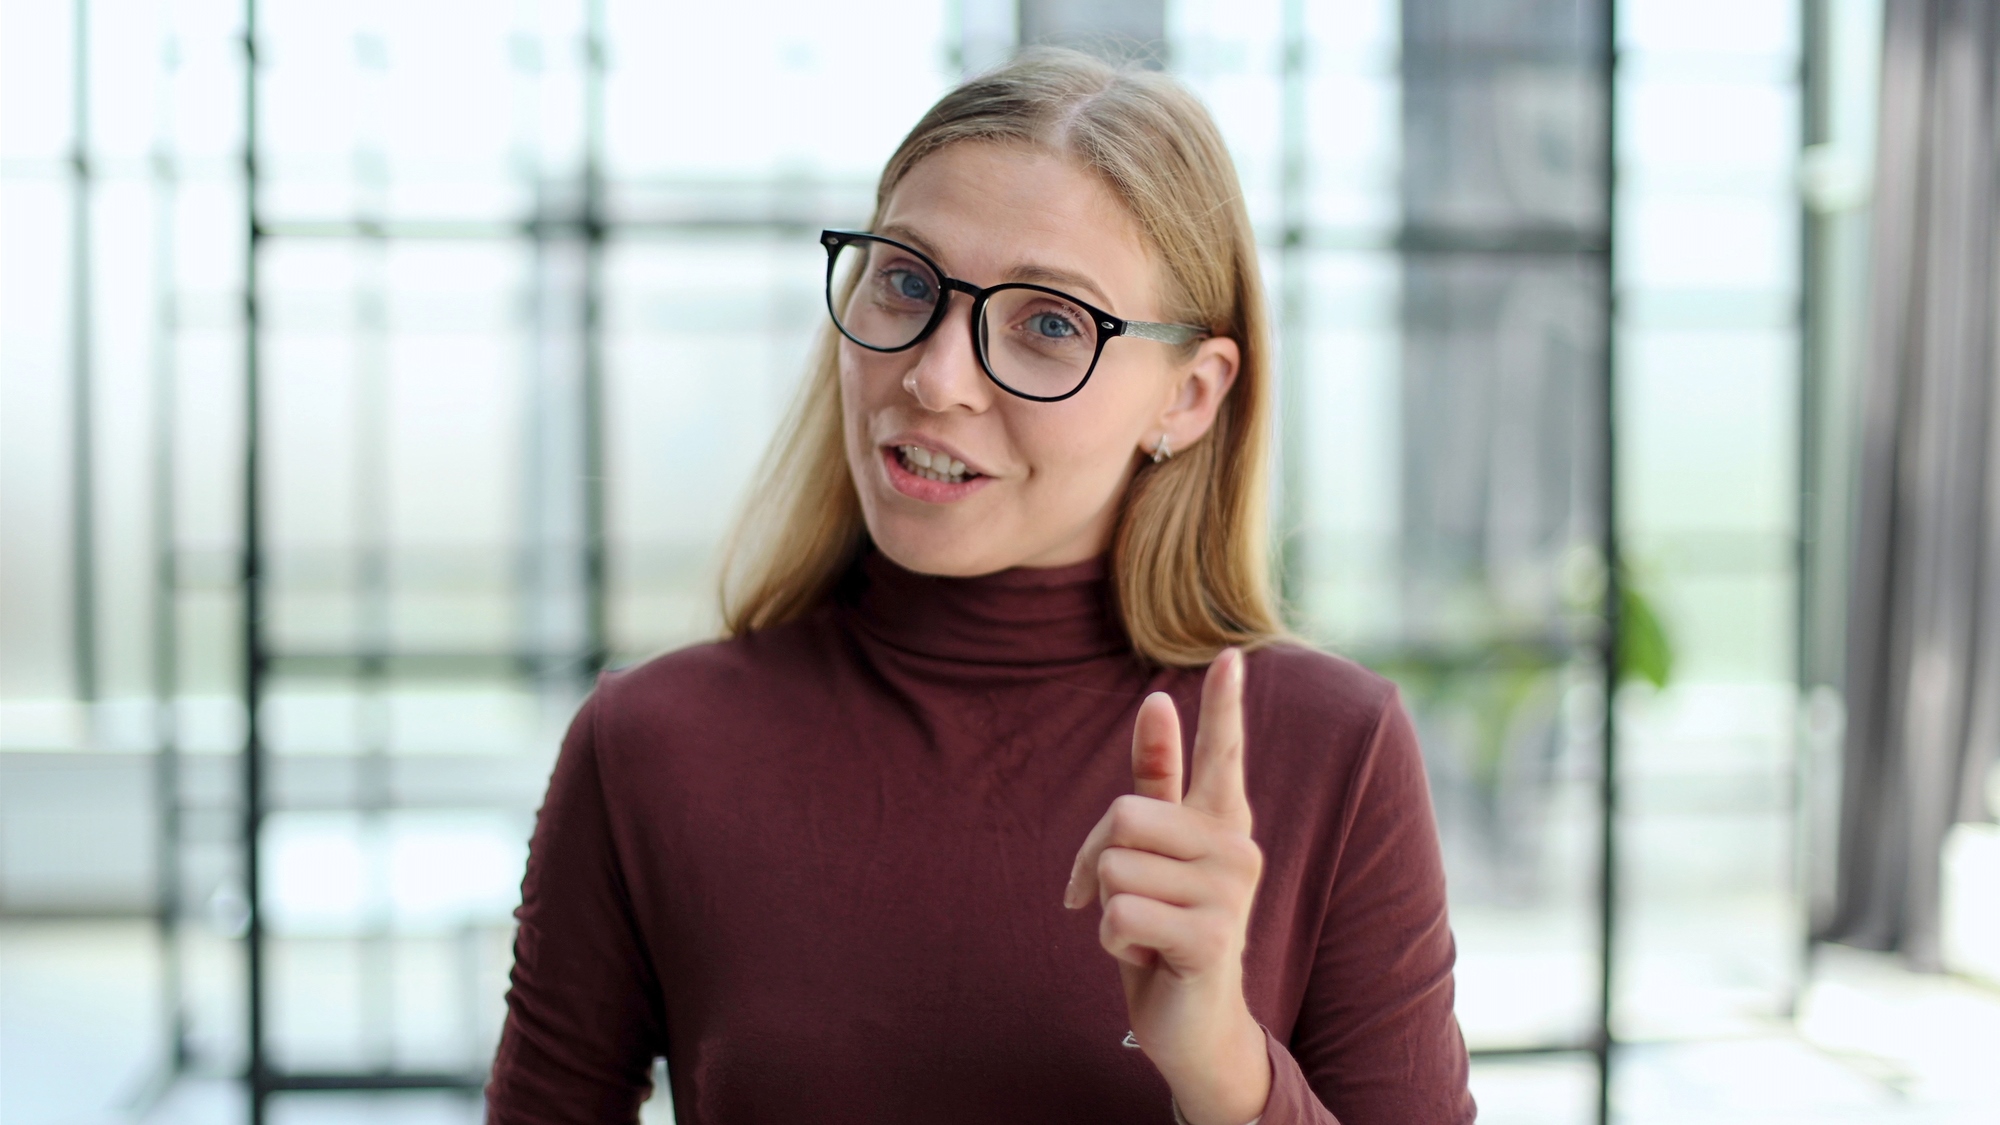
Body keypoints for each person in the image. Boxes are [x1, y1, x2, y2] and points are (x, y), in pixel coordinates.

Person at [487, 48, 1473, 1125]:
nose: (932, 377)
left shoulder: (1330, 747)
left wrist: (1225, 1070)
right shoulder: (650, 746)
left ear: (1188, 396)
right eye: (906, 281)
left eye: (1048, 323)